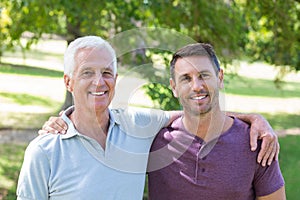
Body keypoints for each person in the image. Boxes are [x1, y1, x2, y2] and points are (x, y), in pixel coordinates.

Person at [28, 36, 279, 200]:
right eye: (87, 73)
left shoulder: (136, 126)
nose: (98, 81)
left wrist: (253, 118)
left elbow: (195, 110)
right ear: (68, 82)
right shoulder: (45, 150)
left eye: (106, 72)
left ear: (115, 81)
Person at [147, 43, 285, 200]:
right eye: (186, 78)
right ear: (174, 87)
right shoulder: (153, 141)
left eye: (203, 75)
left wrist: (255, 118)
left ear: (220, 78)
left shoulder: (255, 142)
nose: (197, 86)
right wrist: (252, 117)